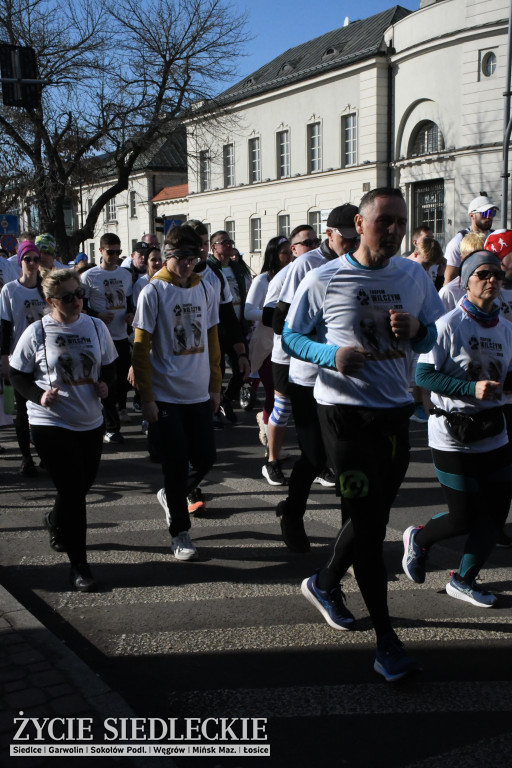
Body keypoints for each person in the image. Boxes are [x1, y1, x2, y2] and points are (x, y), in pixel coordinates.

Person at [282, 187, 444, 681]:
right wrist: (331, 356)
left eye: (400, 222)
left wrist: (416, 331)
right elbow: (291, 336)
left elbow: (433, 334)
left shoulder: (413, 275)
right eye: (384, 221)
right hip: (344, 416)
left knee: (373, 515)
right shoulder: (324, 277)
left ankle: (324, 581)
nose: (393, 230)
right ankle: (386, 643)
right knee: (371, 528)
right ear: (360, 222)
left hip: (394, 414)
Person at [403, 250, 512, 605]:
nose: (492, 280)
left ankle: (464, 579)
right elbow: (423, 375)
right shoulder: (448, 324)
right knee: (464, 517)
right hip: (453, 435)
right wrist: (470, 389)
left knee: (496, 513)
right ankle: (419, 539)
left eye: (497, 274)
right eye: (483, 274)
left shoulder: (507, 328)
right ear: (466, 282)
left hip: (494, 431)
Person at [8, 269, 117, 591]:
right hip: (50, 422)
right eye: (68, 297)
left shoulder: (95, 326)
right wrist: (38, 395)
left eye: (79, 294)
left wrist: (105, 384)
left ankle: (55, 519)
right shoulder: (37, 331)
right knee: (73, 492)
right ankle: (79, 565)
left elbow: (110, 365)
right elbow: (16, 374)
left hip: (90, 420)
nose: (77, 301)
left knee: (80, 487)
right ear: (51, 301)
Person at [132, 226, 221, 560]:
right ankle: (180, 533)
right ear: (168, 255)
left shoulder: (205, 287)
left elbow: (212, 338)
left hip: (198, 392)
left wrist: (215, 386)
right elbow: (140, 349)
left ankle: (172, 494)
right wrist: (147, 398)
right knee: (175, 463)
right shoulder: (153, 292)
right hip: (167, 394)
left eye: (193, 257)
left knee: (206, 459)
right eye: (182, 257)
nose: (188, 264)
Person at [272, 206, 360, 545]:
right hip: (309, 376)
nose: (352, 245)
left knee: (346, 459)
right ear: (329, 234)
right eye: (346, 239)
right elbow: (278, 322)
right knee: (314, 456)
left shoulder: (362, 264)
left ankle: (350, 541)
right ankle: (292, 513)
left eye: (356, 238)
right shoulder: (307, 266)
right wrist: (326, 338)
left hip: (347, 379)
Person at [0, 242, 48, 475]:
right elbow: (5, 326)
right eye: (27, 259)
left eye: (36, 259)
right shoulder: (10, 290)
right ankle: (26, 458)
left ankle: (46, 455)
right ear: (20, 261)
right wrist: (4, 358)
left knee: (44, 408)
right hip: (20, 356)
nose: (32, 263)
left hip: (46, 356)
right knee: (22, 411)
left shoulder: (46, 289)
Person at [81, 233, 134, 443]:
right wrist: (97, 315)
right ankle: (111, 427)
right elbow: (81, 307)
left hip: (121, 335)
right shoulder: (89, 276)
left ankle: (115, 413)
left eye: (118, 252)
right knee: (107, 381)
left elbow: (129, 301)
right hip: (100, 336)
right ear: (101, 251)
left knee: (123, 379)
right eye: (110, 252)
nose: (114, 256)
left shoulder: (125, 274)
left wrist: (130, 314)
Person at [244, 236, 293, 460]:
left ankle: (267, 425)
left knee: (285, 395)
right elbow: (248, 311)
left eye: (290, 252)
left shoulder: (295, 276)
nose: (289, 257)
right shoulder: (263, 280)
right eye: (284, 253)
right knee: (274, 392)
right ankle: (270, 442)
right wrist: (274, 316)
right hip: (266, 345)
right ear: (273, 255)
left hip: (290, 343)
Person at [208, 231, 251, 420]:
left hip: (237, 325)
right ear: (214, 247)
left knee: (243, 368)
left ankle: (226, 399)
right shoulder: (209, 268)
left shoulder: (237, 268)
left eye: (230, 241)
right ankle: (215, 408)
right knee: (216, 370)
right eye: (224, 242)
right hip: (218, 327)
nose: (229, 244)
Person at [444, 194, 497, 284]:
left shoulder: (496, 237)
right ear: (472, 215)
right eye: (484, 213)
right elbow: (449, 278)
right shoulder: (458, 241)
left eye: (492, 213)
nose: (489, 217)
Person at [439, 232, 486, 312]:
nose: (478, 264)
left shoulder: (495, 286)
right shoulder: (449, 292)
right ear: (462, 259)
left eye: (483, 258)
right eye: (472, 259)